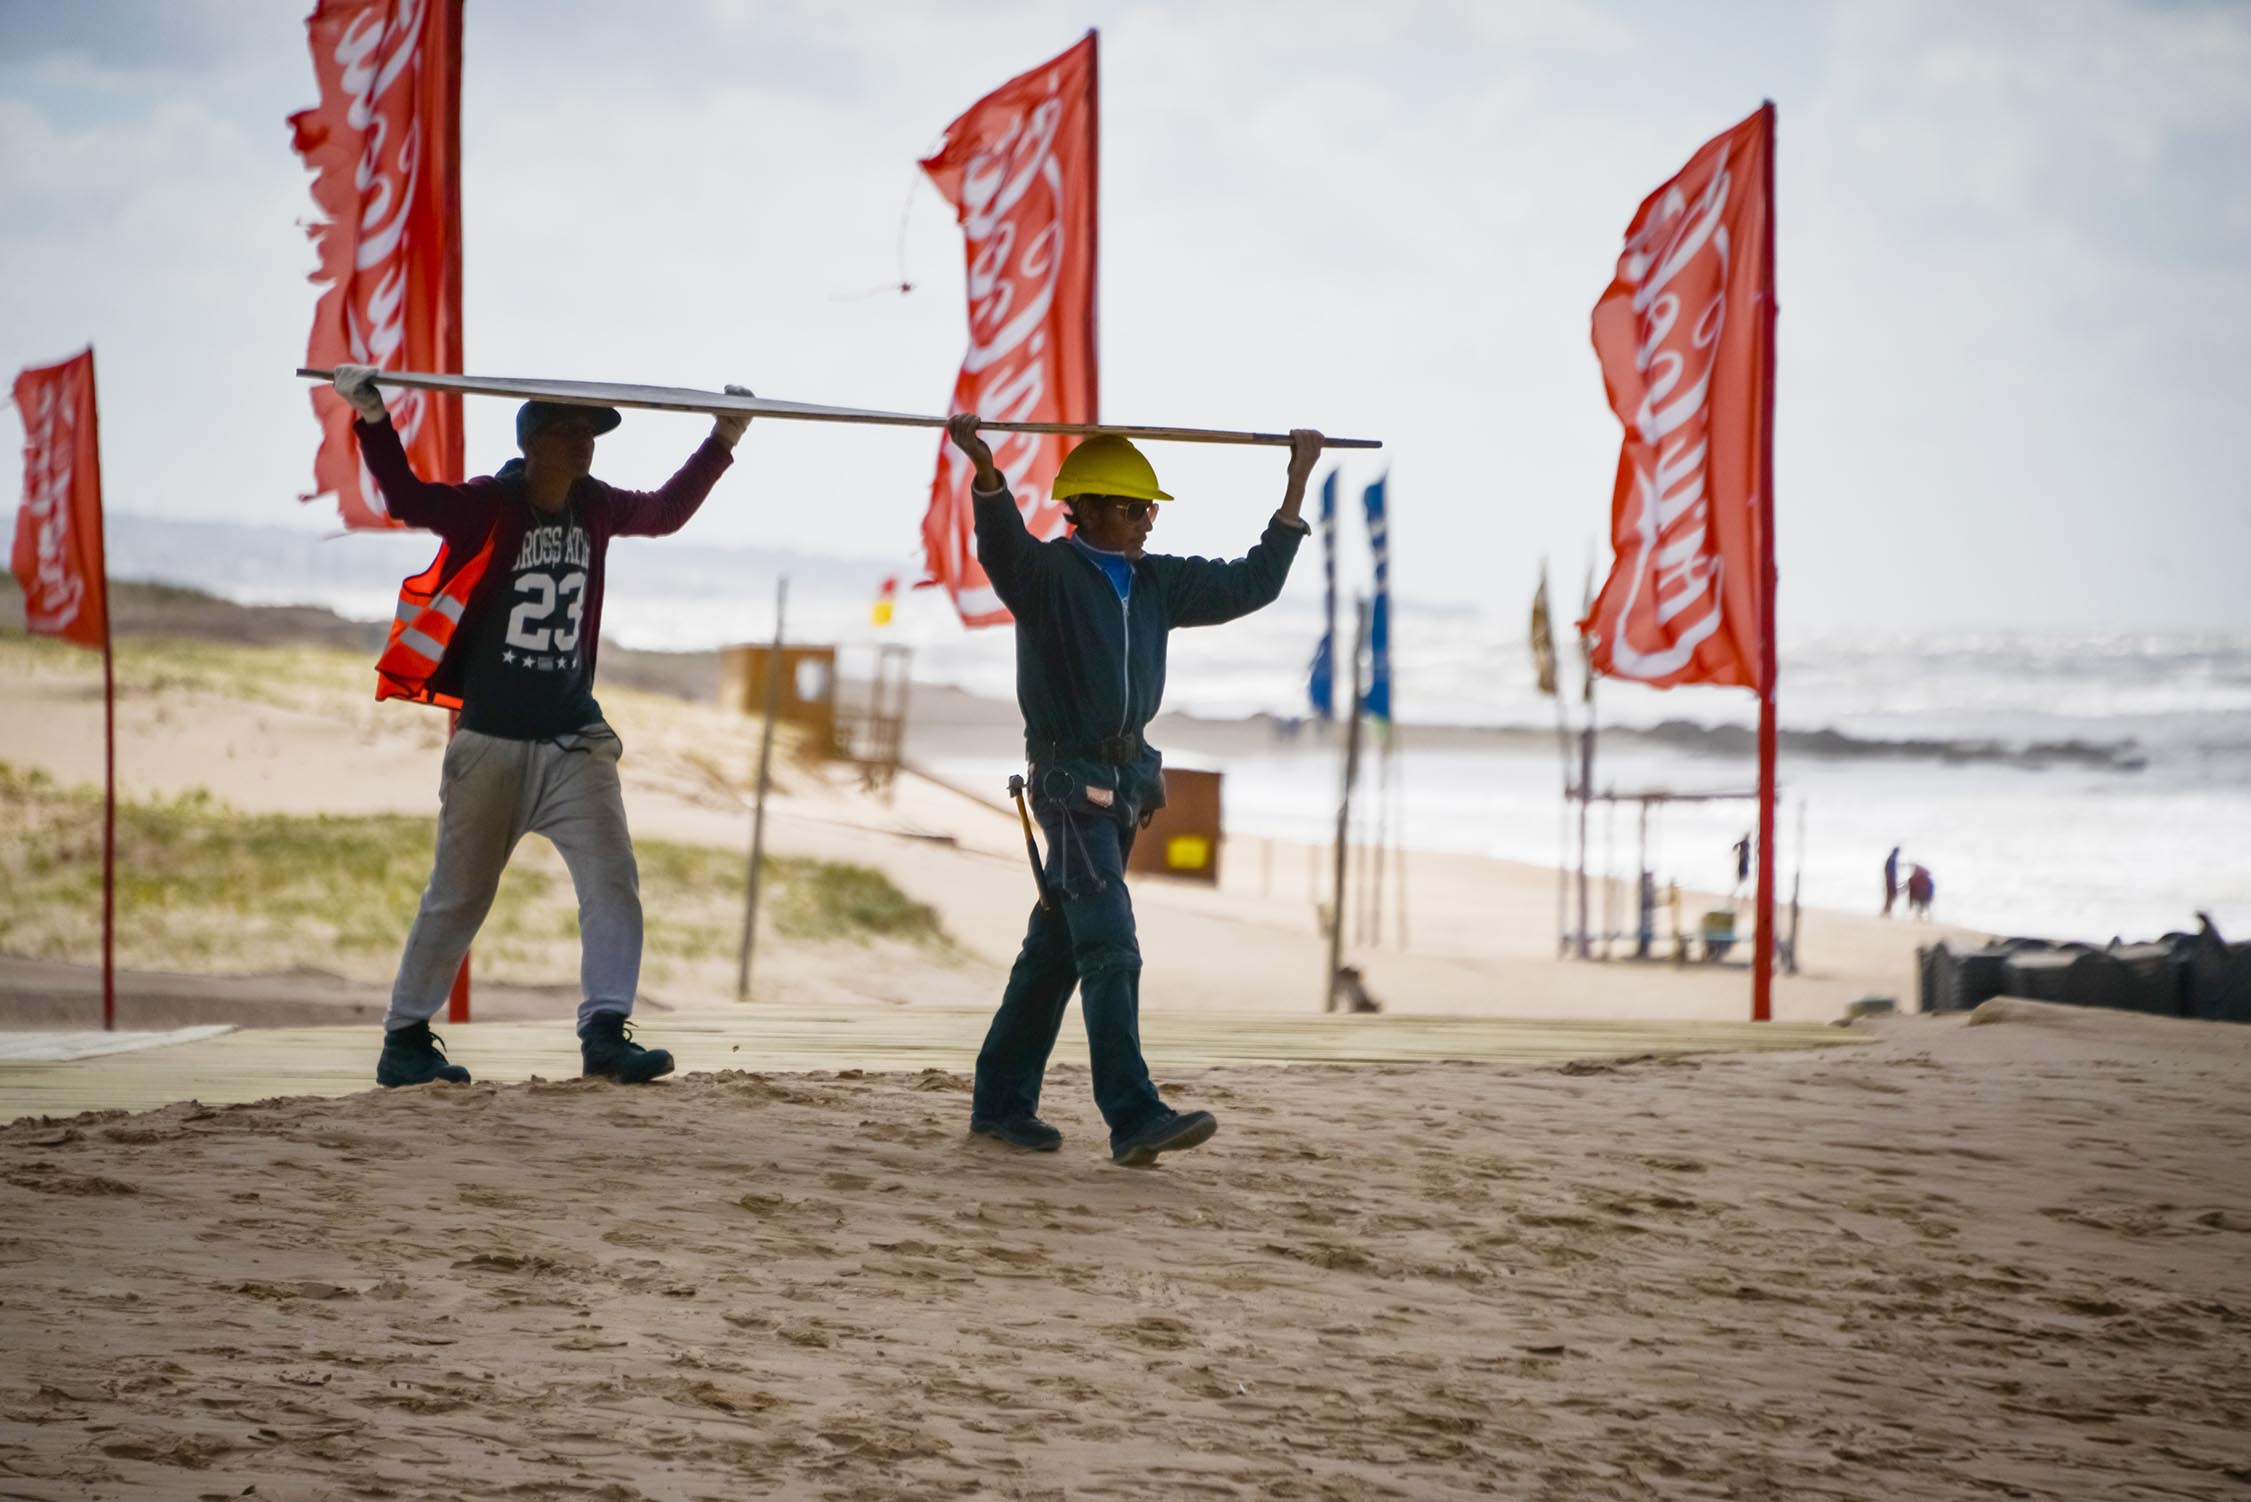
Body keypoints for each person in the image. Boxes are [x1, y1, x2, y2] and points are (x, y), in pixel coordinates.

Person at [330, 364, 754, 1089]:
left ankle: (604, 1031)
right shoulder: (488, 505)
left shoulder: (594, 505)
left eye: (590, 432)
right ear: (532, 443)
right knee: (459, 896)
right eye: (569, 431)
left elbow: (663, 511)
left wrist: (723, 437)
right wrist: (372, 415)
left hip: (573, 740)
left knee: (612, 882)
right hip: (490, 742)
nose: (585, 444)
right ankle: (404, 1037)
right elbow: (404, 498)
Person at [948, 412, 1322, 1166]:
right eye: (1129, 508)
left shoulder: (1157, 580)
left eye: (1148, 508)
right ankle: (1132, 1113)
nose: (1143, 521)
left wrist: (1295, 484)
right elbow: (1001, 543)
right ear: (1081, 507)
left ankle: (999, 1103)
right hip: (1066, 784)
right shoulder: (1046, 577)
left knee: (1056, 950)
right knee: (1110, 944)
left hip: (1122, 786)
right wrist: (985, 471)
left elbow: (1251, 582)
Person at [1883, 844, 1901, 917]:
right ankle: (1887, 912)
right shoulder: (1892, 859)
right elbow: (1890, 871)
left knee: (1890, 897)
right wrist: (1890, 880)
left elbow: (1885, 869)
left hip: (1889, 880)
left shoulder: (1891, 858)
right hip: (1891, 881)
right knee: (1891, 896)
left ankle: (1886, 911)